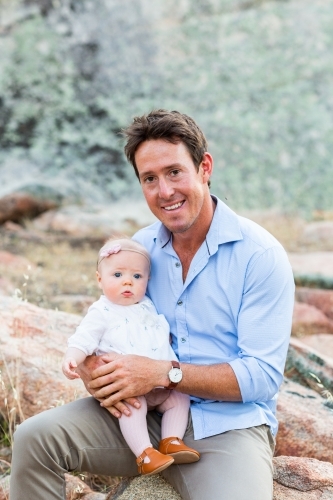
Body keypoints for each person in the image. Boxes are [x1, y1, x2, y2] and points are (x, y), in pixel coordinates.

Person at [10, 109, 295, 500]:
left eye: (175, 172)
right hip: (142, 418)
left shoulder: (260, 255)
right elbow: (110, 317)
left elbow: (262, 376)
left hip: (229, 426)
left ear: (204, 167)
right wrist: (95, 369)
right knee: (34, 439)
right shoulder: (139, 249)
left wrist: (164, 373)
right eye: (150, 179)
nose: (164, 192)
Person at [62, 237, 200, 475]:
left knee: (179, 399)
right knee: (132, 408)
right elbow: (83, 339)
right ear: (99, 279)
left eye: (137, 277)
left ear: (147, 280)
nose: (128, 282)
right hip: (128, 386)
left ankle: (171, 441)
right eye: (117, 275)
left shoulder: (147, 304)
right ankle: (145, 453)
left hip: (160, 383)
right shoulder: (102, 312)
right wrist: (73, 357)